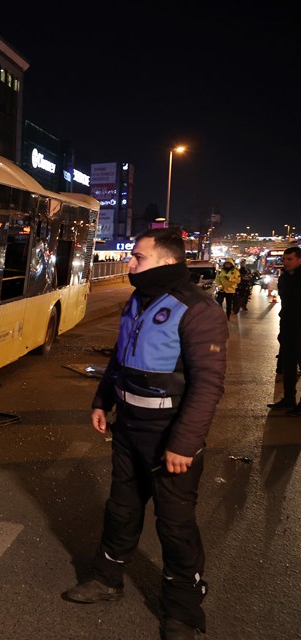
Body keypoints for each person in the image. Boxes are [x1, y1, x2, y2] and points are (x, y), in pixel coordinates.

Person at [63, 228, 228, 639]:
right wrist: (103, 401)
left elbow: (208, 385)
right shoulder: (138, 300)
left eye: (138, 258)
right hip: (129, 429)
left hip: (169, 434)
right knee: (121, 508)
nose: (131, 264)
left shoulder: (198, 310)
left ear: (168, 262)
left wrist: (184, 443)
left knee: (174, 524)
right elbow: (121, 358)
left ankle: (183, 611)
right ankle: (106, 579)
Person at [268, 246, 301, 414]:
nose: (285, 262)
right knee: (288, 363)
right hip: (287, 324)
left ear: (299, 260)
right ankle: (289, 398)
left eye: (290, 259)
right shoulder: (285, 278)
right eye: (284, 259)